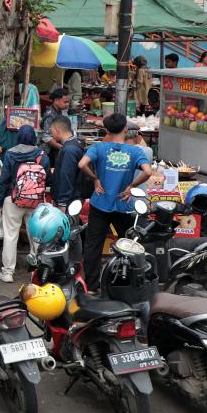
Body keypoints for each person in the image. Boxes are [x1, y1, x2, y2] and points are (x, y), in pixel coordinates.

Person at [78, 113, 154, 289]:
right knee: (129, 244)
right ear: (126, 129)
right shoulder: (135, 151)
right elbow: (148, 172)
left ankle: (92, 285)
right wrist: (131, 185)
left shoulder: (99, 148)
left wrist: (95, 179)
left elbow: (82, 165)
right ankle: (128, 282)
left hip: (100, 204)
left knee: (93, 246)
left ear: (106, 130)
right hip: (123, 205)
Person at [0, 125, 50, 283]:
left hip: (13, 199)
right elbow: (48, 179)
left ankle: (8, 272)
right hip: (36, 201)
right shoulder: (42, 155)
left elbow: (4, 180)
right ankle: (37, 270)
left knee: (11, 236)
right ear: (33, 138)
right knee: (36, 237)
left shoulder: (10, 154)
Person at [48, 118, 87, 207]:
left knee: (68, 221)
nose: (51, 135)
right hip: (72, 197)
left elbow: (67, 176)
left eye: (52, 131)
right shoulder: (75, 143)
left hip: (69, 200)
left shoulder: (69, 150)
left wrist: (62, 202)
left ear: (57, 131)